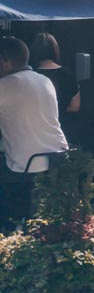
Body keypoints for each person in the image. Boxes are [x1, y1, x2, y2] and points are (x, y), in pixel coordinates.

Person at [0, 36, 69, 224]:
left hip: (26, 168)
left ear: (4, 61)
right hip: (58, 158)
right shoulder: (44, 80)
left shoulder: (5, 85)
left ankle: (9, 231)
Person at [29, 33, 81, 132]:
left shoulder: (31, 75)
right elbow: (75, 106)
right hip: (62, 126)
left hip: (36, 128)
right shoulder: (68, 75)